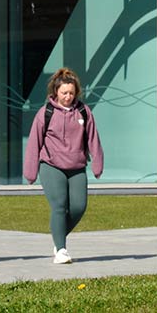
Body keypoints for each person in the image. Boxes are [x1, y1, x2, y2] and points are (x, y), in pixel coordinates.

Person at [22, 68, 104, 264]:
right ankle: (61, 250)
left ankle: (58, 237)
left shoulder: (84, 111)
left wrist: (98, 163)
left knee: (79, 207)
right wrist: (30, 172)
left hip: (76, 166)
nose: (68, 97)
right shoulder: (45, 113)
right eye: (64, 93)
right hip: (52, 165)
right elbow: (35, 142)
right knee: (59, 206)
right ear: (55, 92)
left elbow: (93, 138)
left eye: (71, 93)